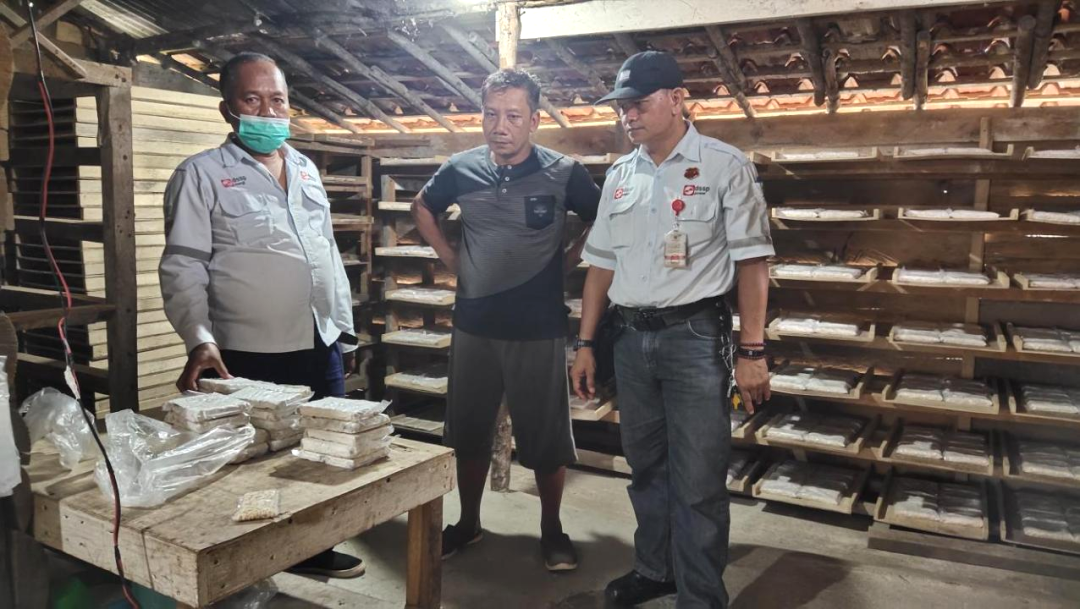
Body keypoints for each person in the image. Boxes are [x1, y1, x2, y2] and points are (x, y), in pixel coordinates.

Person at [570, 51, 774, 607]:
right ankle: (656, 570)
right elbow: (600, 267)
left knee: (699, 476)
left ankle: (701, 595)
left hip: (695, 338)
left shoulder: (724, 166)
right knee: (646, 467)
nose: (628, 115)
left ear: (677, 99)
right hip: (631, 339)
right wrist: (585, 343)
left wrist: (752, 350)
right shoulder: (621, 176)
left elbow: (753, 262)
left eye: (638, 103)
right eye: (622, 107)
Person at [159, 52, 363, 579]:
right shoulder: (201, 174)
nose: (268, 112)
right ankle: (254, 563)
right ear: (227, 109)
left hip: (318, 339)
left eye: (278, 101)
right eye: (253, 100)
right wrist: (198, 338)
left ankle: (313, 550)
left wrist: (343, 329)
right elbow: (183, 265)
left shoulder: (305, 168)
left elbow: (325, 253)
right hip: (248, 352)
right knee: (255, 463)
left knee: (322, 450)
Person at [411, 69, 601, 571]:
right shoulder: (461, 168)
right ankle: (468, 522)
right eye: (491, 115)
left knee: (545, 438)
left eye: (513, 116)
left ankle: (552, 530)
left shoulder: (564, 172)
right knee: (468, 432)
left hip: (537, 326)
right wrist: (452, 260)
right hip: (474, 323)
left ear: (534, 121)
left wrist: (570, 259)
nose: (500, 127)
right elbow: (422, 206)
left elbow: (603, 218)